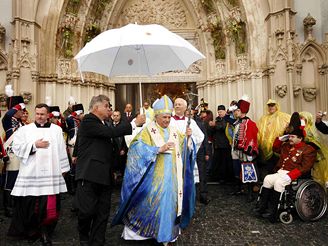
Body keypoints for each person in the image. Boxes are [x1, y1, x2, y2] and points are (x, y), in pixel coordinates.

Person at [112, 95, 197, 245]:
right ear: (156, 116)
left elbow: (184, 150)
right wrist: (156, 149)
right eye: (164, 117)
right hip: (152, 182)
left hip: (171, 181)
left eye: (169, 117)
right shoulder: (147, 131)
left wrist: (189, 139)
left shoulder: (175, 131)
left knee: (168, 207)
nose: (167, 120)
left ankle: (165, 233)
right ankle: (148, 232)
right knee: (150, 206)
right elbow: (136, 148)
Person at [74, 95, 145, 246]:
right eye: (107, 106)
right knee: (87, 211)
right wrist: (134, 123)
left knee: (102, 213)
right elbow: (110, 134)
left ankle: (98, 241)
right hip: (89, 175)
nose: (110, 109)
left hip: (105, 176)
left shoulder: (105, 124)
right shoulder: (88, 121)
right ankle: (84, 236)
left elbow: (111, 147)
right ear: (96, 107)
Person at [7, 103, 70, 245]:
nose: (39, 116)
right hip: (31, 174)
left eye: (42, 114)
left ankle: (45, 232)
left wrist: (64, 168)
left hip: (51, 174)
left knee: (48, 207)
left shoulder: (56, 130)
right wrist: (34, 145)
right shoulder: (25, 130)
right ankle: (31, 231)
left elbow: (61, 149)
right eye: (37, 114)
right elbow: (16, 147)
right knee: (30, 205)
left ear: (48, 115)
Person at [255, 112, 317, 223]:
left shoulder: (308, 149)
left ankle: (273, 213)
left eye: (292, 137)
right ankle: (262, 208)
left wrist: (291, 175)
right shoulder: (286, 146)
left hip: (294, 174)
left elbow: (306, 167)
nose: (290, 139)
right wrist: (280, 138)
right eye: (289, 136)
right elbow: (275, 148)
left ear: (300, 138)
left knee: (279, 183)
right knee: (267, 179)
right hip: (281, 172)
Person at [1, 95, 25, 217]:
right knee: (10, 179)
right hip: (11, 153)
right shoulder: (9, 120)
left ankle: (15, 204)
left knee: (17, 179)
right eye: (21, 109)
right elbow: (7, 115)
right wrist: (16, 106)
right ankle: (8, 206)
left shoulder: (20, 123)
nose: (23, 111)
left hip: (20, 153)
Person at [231, 96, 259, 201]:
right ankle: (240, 189)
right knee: (237, 170)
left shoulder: (250, 123)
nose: (235, 112)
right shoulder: (237, 122)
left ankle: (250, 193)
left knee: (248, 172)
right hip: (236, 151)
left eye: (237, 110)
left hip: (245, 152)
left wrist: (246, 149)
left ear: (242, 111)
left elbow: (252, 138)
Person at [257, 99, 290, 179]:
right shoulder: (263, 118)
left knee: (279, 168)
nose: (271, 107)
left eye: (273, 105)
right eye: (269, 105)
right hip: (266, 149)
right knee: (269, 168)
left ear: (276, 106)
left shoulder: (284, 117)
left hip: (279, 148)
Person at [300, 111, 328, 187]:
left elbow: (317, 142)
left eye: (302, 118)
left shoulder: (312, 129)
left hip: (318, 157)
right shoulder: (300, 129)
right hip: (306, 158)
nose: (300, 120)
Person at [208, 105, 233, 183]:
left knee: (225, 162)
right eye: (218, 112)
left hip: (225, 145)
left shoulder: (228, 119)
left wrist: (214, 125)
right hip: (217, 144)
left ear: (225, 111)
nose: (219, 113)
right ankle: (217, 177)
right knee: (217, 162)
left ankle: (226, 178)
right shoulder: (217, 119)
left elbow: (223, 127)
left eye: (221, 112)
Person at [107, 110, 128, 183]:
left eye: (117, 115)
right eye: (114, 115)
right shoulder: (109, 126)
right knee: (113, 167)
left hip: (122, 150)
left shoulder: (124, 126)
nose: (116, 117)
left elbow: (126, 139)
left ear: (120, 116)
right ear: (112, 116)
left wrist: (124, 149)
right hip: (112, 151)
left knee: (122, 167)